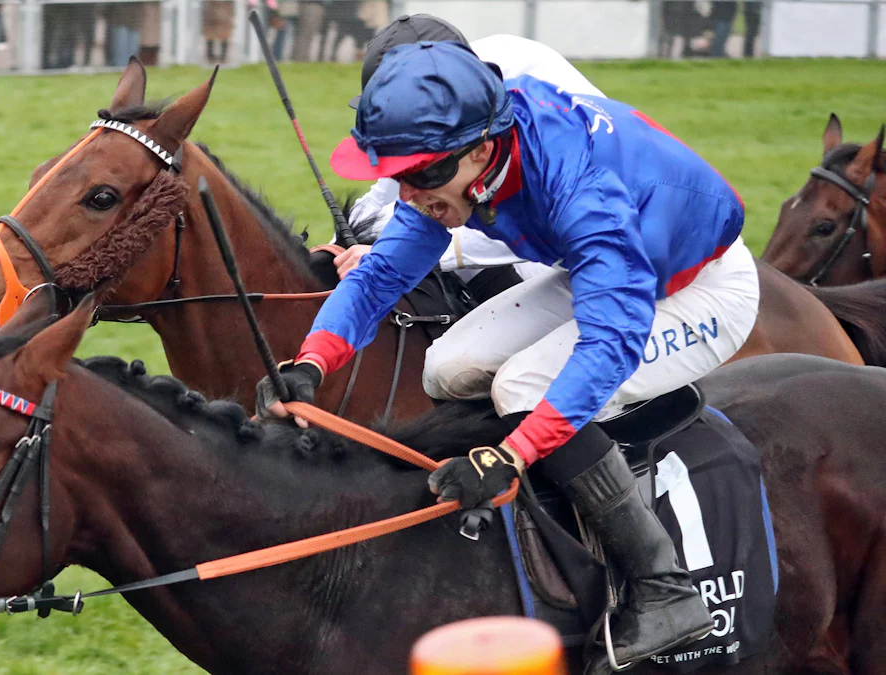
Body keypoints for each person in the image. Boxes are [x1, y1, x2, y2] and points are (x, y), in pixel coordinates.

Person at [256, 41, 759, 673]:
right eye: (399, 177)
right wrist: (310, 363)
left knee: (523, 388)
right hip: (604, 268)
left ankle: (663, 586)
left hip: (702, 288)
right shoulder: (465, 161)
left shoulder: (577, 186)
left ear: (480, 150)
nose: (407, 196)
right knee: (447, 366)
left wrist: (511, 454)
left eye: (423, 176)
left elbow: (610, 343)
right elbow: (379, 276)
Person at [335, 17, 606, 295]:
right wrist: (331, 252)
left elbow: (525, 224)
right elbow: (384, 195)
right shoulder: (446, 85)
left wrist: (389, 254)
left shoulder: (525, 96)